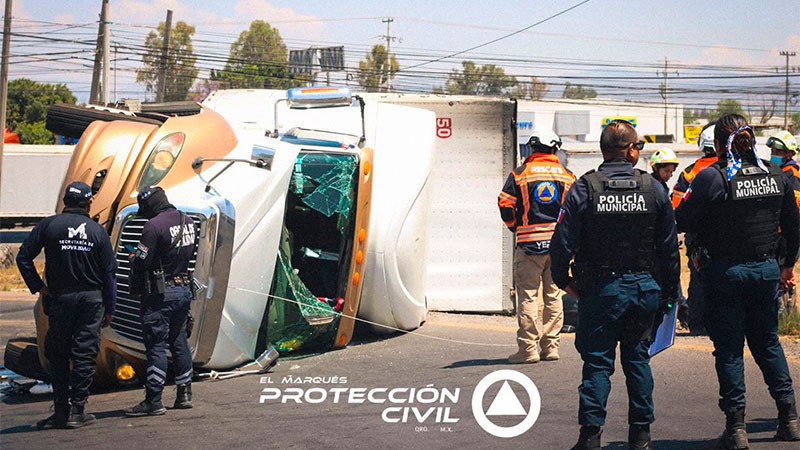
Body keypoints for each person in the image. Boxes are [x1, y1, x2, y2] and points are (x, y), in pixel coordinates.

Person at [550, 120, 680, 450]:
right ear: (631, 150)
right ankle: (641, 437)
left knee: (596, 365)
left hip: (599, 292)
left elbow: (561, 242)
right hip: (643, 290)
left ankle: (590, 437)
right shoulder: (654, 189)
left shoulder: (584, 188)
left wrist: (564, 281)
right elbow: (668, 249)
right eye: (639, 146)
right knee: (638, 361)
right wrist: (669, 295)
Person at [675, 114, 800, 448]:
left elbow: (682, 218)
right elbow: (793, 225)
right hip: (766, 272)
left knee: (730, 350)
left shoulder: (712, 178)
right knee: (768, 343)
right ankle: (789, 418)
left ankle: (736, 429)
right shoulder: (776, 174)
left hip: (725, 274)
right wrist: (787, 266)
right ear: (752, 140)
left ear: (718, 144)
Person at [16, 181, 117, 430]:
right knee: (84, 354)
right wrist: (110, 309)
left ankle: (62, 410)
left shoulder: (49, 225)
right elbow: (110, 275)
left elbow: (23, 257)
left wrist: (39, 286)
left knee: (58, 352)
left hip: (61, 298)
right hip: (91, 301)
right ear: (89, 202)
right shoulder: (97, 231)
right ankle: (77, 410)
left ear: (65, 200)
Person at [498, 130, 575, 363]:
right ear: (555, 149)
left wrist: (516, 227)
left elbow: (505, 205)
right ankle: (551, 347)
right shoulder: (567, 175)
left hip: (528, 245)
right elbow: (574, 211)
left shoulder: (520, 173)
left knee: (528, 297)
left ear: (532, 147)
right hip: (558, 247)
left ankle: (528, 350)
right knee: (554, 296)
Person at [124, 186, 197, 417]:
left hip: (160, 295)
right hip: (184, 289)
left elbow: (143, 262)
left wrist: (134, 257)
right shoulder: (188, 221)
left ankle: (154, 400)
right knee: (179, 340)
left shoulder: (153, 226)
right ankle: (184, 394)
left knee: (156, 344)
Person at [672, 122, 718, 335]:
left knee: (698, 279)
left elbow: (676, 205)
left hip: (697, 237)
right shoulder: (733, 168)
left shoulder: (690, 172)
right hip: (730, 236)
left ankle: (697, 325)